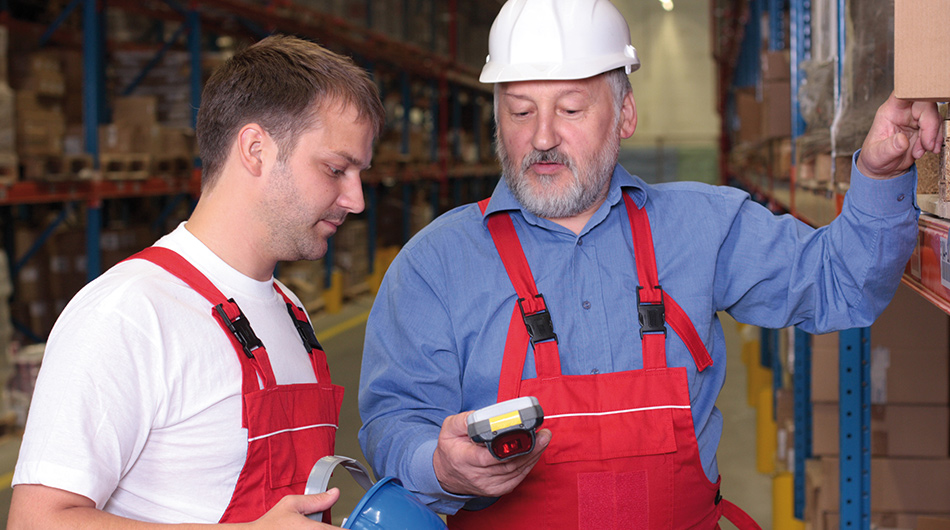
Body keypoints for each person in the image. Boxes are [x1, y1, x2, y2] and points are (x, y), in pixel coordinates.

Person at [357, 0, 943, 528]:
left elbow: (843, 284)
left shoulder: (703, 228)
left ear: (625, 116)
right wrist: (436, 464)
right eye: (518, 111)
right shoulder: (434, 265)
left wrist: (880, 174)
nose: (541, 137)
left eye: (570, 109)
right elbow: (394, 419)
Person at [9, 34, 384, 528]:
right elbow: (37, 522)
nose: (356, 200)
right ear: (255, 150)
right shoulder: (128, 313)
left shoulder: (291, 311)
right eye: (336, 169)